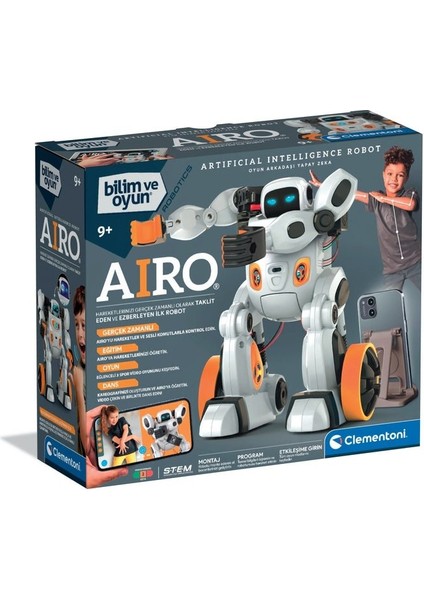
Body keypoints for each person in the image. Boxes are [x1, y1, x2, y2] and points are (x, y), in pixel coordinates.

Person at [309, 146, 421, 290]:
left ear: (406, 178)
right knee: (391, 301)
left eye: (400, 175)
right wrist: (323, 185)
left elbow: (410, 204)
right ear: (383, 175)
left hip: (416, 262)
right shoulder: (376, 199)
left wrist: (384, 199)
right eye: (390, 173)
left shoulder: (409, 194)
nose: (393, 179)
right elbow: (351, 193)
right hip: (392, 270)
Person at [72, 285, 87, 456]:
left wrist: (78, 389)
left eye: (84, 325)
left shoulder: (81, 377)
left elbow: (87, 443)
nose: (80, 334)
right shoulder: (79, 368)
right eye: (77, 325)